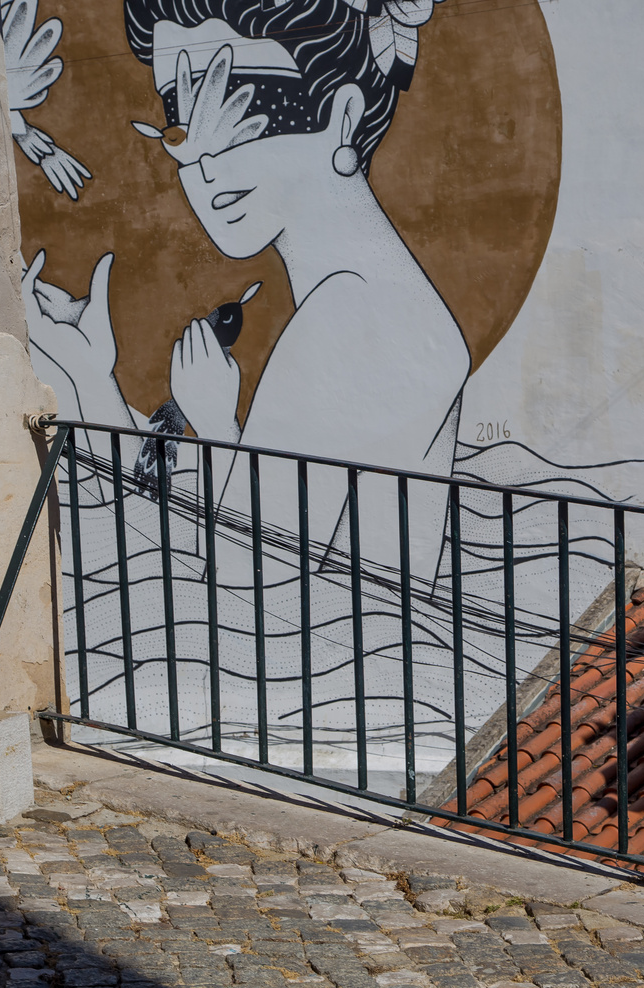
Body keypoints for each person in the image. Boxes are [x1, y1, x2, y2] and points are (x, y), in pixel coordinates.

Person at [26, 0, 467, 578]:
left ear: (342, 115)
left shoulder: (351, 316)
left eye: (243, 108)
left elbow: (244, 600)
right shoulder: (369, 299)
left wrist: (216, 425)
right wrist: (92, 379)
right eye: (178, 119)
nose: (203, 163)